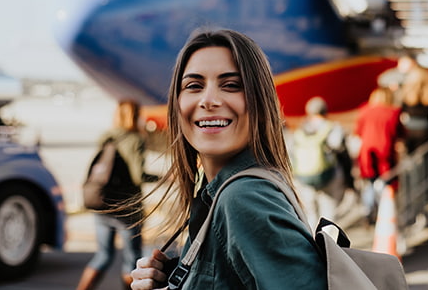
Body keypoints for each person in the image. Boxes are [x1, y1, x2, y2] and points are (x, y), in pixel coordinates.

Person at [130, 29, 326, 289]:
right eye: (193, 86)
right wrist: (177, 276)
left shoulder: (244, 198)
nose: (208, 100)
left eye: (231, 85)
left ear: (260, 102)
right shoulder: (221, 193)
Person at [77, 99, 150, 290]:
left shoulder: (107, 137)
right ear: (135, 116)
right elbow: (138, 176)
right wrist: (167, 177)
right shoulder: (135, 139)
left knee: (103, 255)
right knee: (132, 259)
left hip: (102, 204)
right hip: (126, 209)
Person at [290, 96, 348, 227]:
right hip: (327, 176)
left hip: (303, 178)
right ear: (325, 111)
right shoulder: (330, 127)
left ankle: (312, 244)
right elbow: (337, 145)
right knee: (328, 213)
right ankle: (328, 243)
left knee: (310, 215)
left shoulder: (301, 129)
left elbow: (291, 152)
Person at [354, 87, 404, 222]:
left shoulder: (364, 111)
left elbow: (358, 131)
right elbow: (398, 133)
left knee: (370, 182)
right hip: (385, 151)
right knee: (385, 183)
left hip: (367, 152)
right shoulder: (393, 112)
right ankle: (384, 211)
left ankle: (368, 210)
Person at [397, 54, 428, 154]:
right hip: (425, 127)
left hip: (410, 128)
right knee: (424, 158)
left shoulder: (406, 92)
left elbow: (401, 109)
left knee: (412, 159)